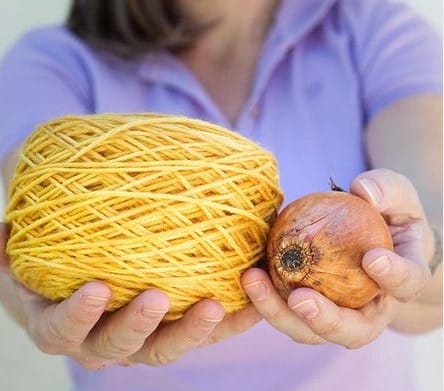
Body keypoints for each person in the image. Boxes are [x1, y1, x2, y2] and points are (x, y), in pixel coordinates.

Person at [0, 0, 442, 390]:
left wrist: (421, 252)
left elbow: (432, 202)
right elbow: (37, 228)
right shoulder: (49, 62)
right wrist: (33, 309)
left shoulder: (374, 30)